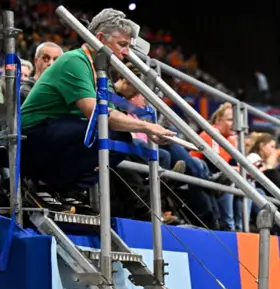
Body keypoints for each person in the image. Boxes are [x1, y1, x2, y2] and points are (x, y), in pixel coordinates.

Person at [20, 8, 175, 211]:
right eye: (122, 45)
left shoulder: (100, 70)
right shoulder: (74, 60)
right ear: (100, 38)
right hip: (30, 137)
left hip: (55, 132)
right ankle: (43, 187)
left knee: (121, 138)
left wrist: (147, 127)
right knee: (105, 132)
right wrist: (148, 127)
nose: (127, 52)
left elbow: (112, 114)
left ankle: (62, 189)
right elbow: (97, 113)